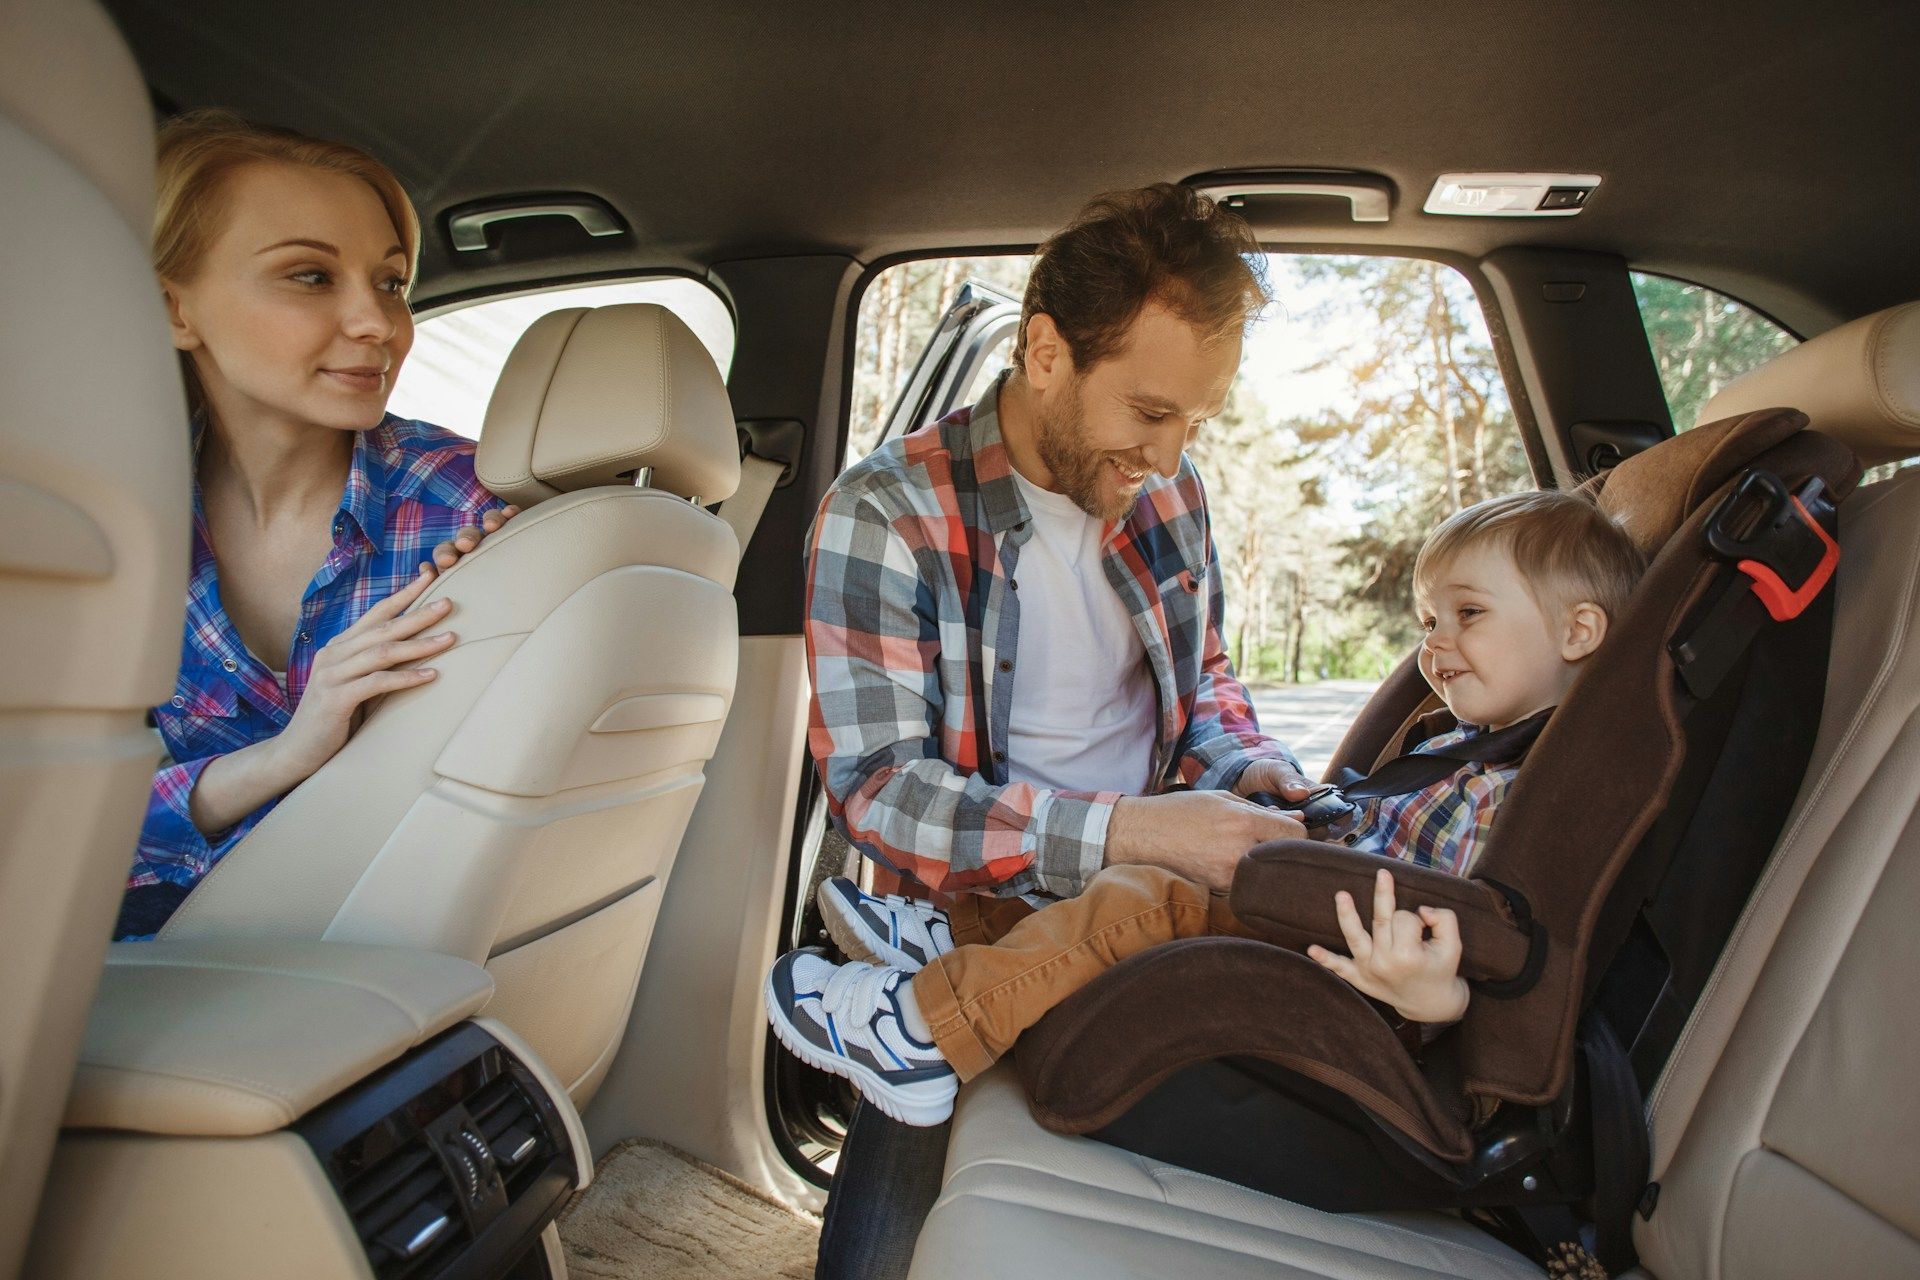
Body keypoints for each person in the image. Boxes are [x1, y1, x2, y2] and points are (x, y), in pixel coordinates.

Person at [797, 184, 1313, 1276]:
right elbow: (884, 789)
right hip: (957, 915)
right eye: (1149, 412)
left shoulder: (1172, 499)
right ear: (1044, 352)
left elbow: (1204, 677)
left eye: (1193, 423)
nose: (1170, 458)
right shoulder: (885, 512)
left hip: (1144, 909)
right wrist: (1135, 831)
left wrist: (1243, 767)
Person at [769, 489, 1647, 1126]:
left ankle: (929, 1031)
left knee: (1155, 895)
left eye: (1467, 613)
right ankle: (971, 936)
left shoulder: (1520, 795)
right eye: (1426, 619)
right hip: (1315, 912)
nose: (1433, 644)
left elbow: (1497, 950)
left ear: (1577, 633)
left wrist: (1435, 995)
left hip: (1349, 980)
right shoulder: (1459, 750)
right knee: (1164, 844)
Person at [118, 110, 514, 941]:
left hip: (341, 1005)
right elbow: (51, 823)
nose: (380, 324)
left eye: (391, 282)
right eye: (309, 276)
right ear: (172, 308)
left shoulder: (472, 517)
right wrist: (280, 759)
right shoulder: (107, 524)